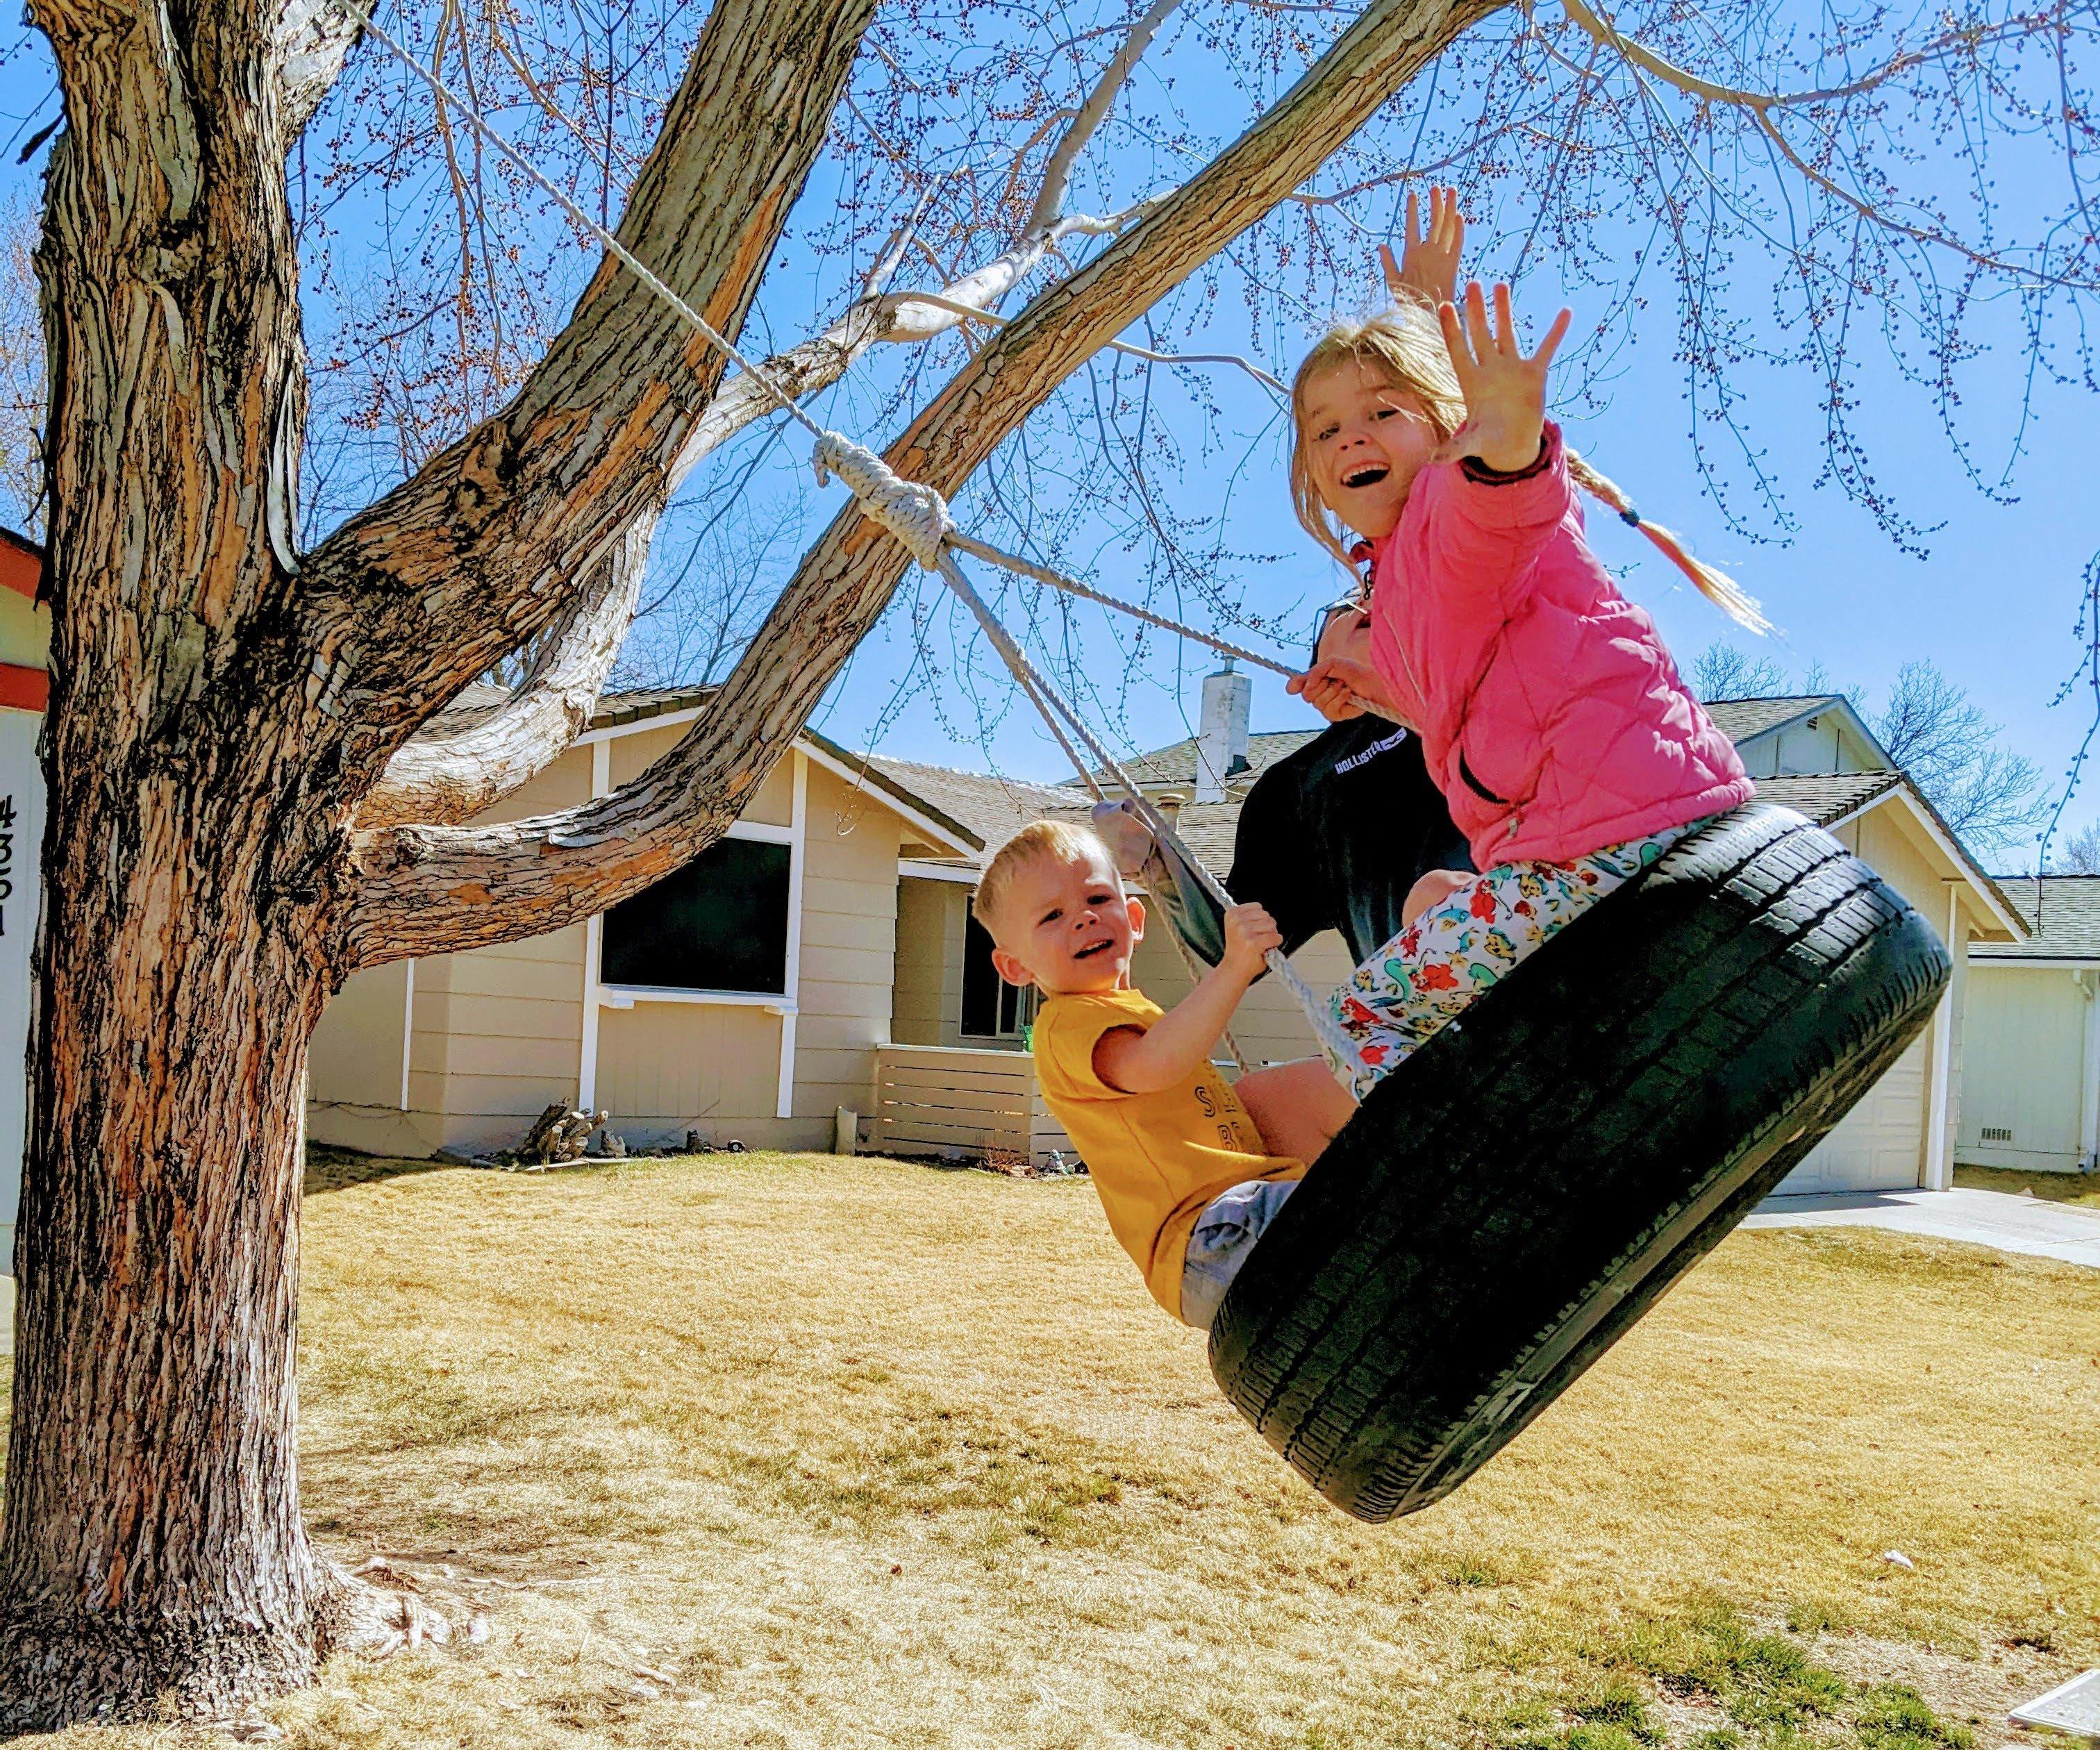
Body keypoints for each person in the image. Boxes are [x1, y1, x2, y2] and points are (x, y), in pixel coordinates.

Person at [1286, 267, 1764, 1099]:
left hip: (1597, 848)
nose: (1349, 440)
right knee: (1435, 895)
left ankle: (1480, 1177)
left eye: (1380, 414)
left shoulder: (1450, 504)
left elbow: (1502, 501)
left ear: (1440, 429)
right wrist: (1370, 693)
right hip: (1626, 824)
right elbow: (1467, 706)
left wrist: (1507, 436)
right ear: (1313, 474)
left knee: (1363, 1020)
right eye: (1324, 432)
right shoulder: (1405, 580)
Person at [974, 819, 1355, 1331]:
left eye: (1098, 899)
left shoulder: (1131, 1011)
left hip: (1242, 1218)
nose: (1084, 920)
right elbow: (1155, 1066)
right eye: (1052, 916)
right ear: (1015, 967)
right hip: (1214, 1236)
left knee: (1279, 1096)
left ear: (1134, 918)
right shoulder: (1066, 1025)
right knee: (1373, 1212)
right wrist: (1234, 968)